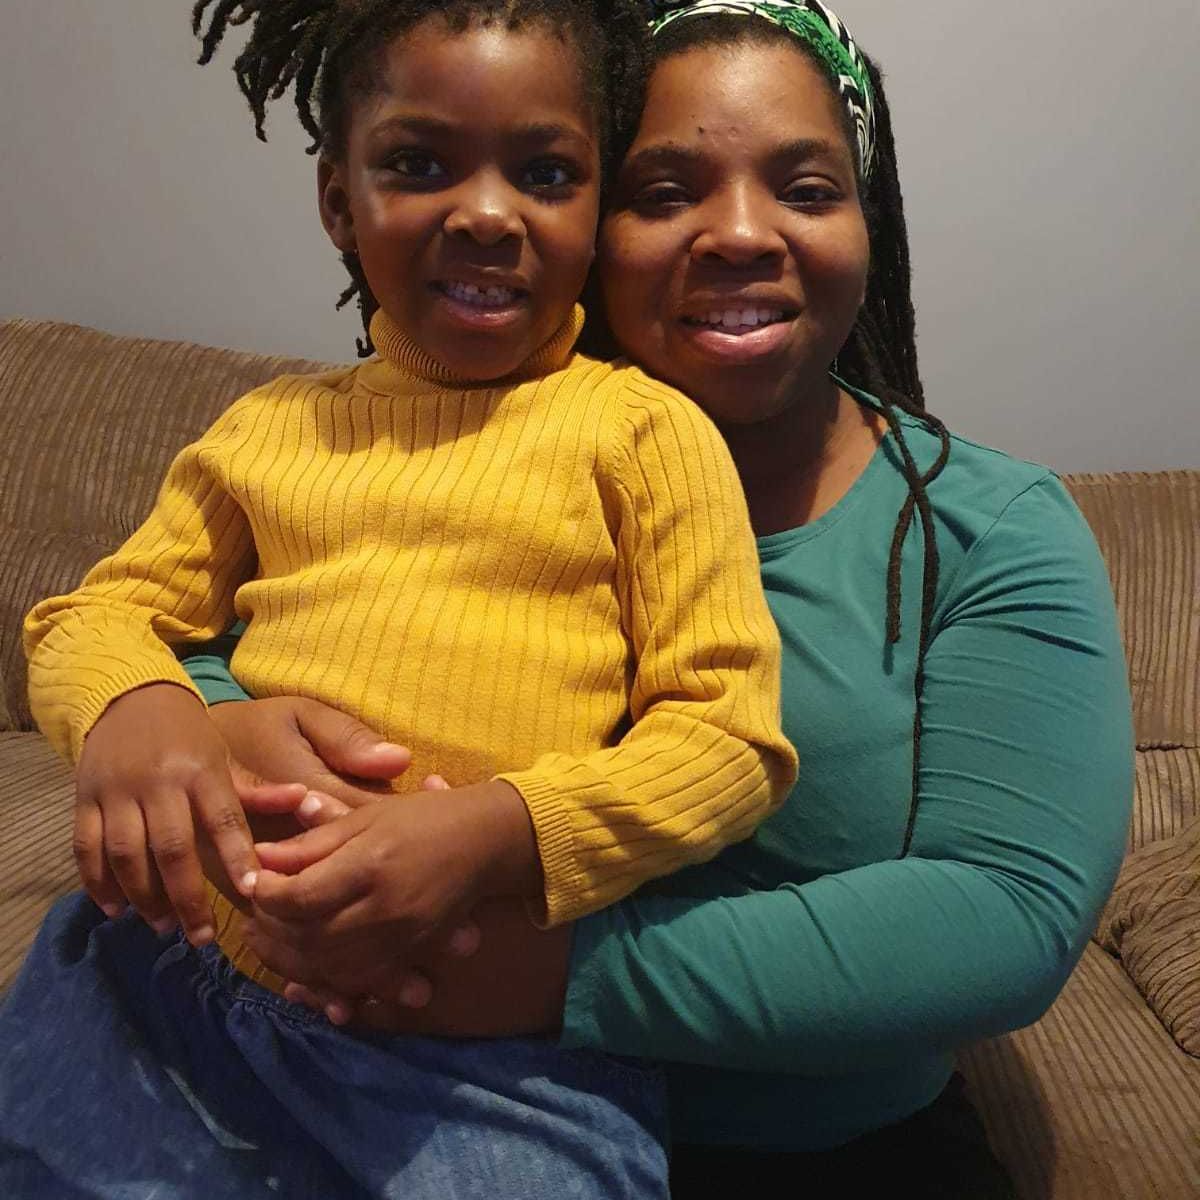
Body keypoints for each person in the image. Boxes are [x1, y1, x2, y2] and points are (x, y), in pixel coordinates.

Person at [183, 2, 1136, 1196]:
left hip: (822, 1156)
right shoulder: (428, 447)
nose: (738, 234)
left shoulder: (990, 530)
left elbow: (1008, 914)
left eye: (806, 189)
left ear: (869, 223)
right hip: (388, 1102)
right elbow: (209, 631)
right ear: (586, 224)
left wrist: (544, 975)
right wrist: (221, 723)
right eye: (666, 190)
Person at [4, 2, 800, 1196]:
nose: (486, 213)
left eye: (545, 173)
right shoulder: (268, 429)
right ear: (341, 201)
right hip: (167, 986)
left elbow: (729, 740)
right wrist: (139, 707)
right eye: (421, 164)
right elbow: (94, 617)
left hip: (479, 1068)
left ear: (596, 208)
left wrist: (489, 835)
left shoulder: (645, 433)